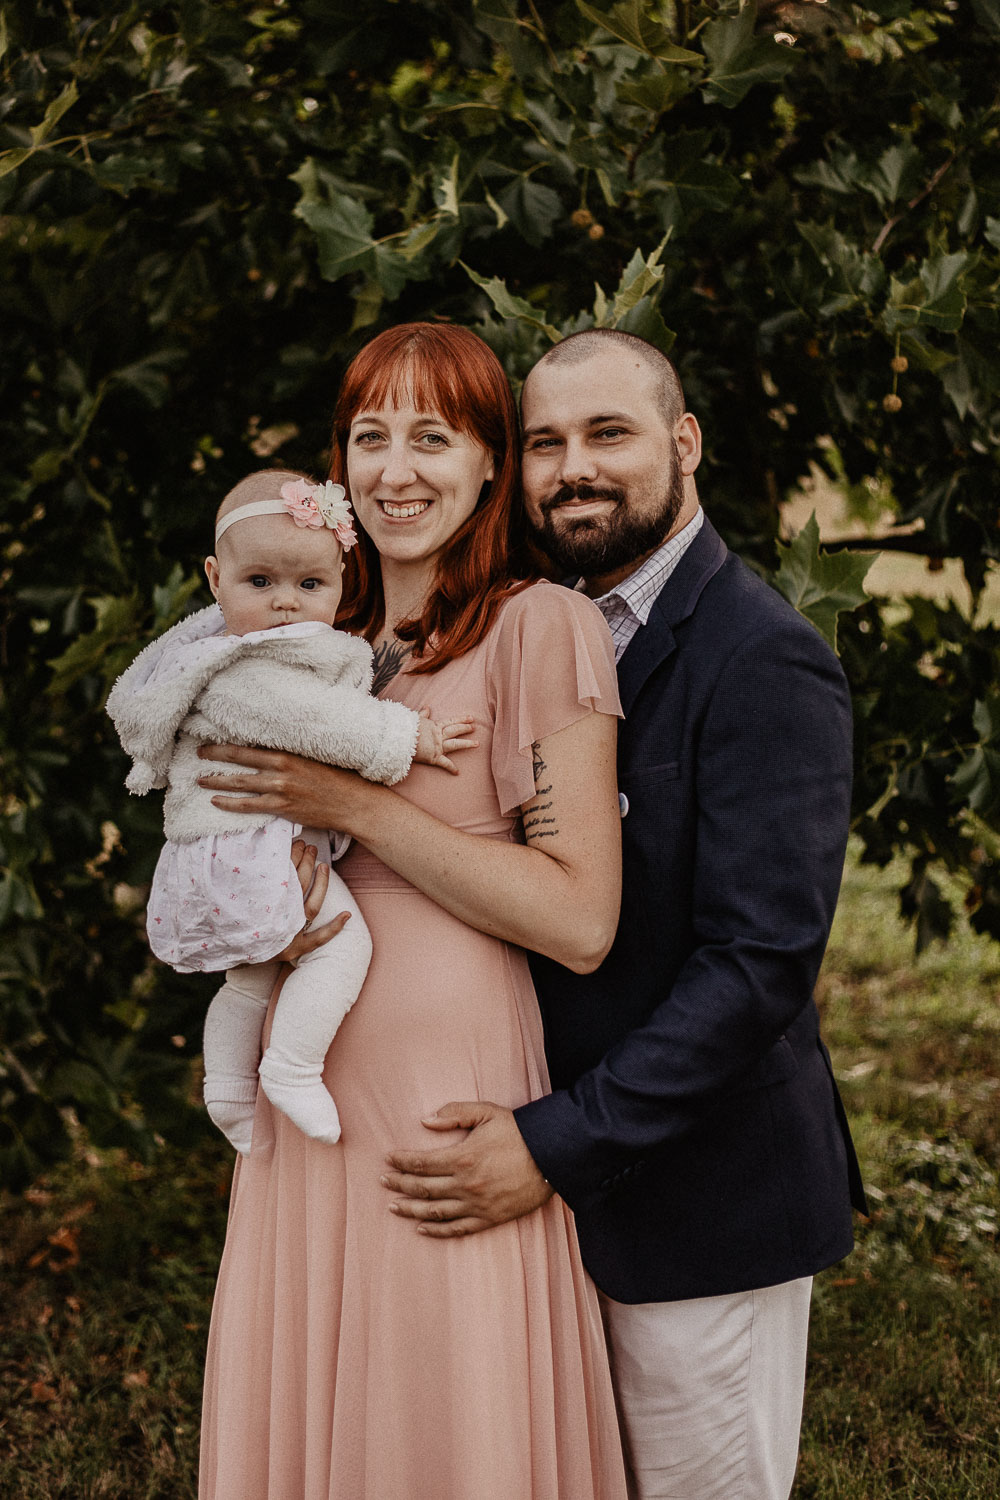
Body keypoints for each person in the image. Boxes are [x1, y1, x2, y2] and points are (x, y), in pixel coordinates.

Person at [381, 329, 869, 1500]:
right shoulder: (521, 623)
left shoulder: (762, 658)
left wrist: (553, 1145)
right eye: (545, 443)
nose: (574, 470)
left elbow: (757, 967)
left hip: (701, 1204)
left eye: (609, 433)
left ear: (683, 442)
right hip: (538, 1207)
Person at [194, 324, 628, 1499]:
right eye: (370, 437)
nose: (396, 470)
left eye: (431, 438)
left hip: (444, 1089)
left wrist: (358, 807)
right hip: (303, 1083)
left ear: (491, 463)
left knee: (437, 1407)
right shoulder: (310, 636)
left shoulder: (541, 626)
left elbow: (581, 918)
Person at [107, 468, 474, 1153]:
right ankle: (292, 1068)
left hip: (231, 844)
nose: (285, 602)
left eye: (310, 584)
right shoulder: (241, 666)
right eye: (260, 582)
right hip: (248, 844)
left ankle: (226, 1092)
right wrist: (407, 737)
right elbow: (315, 721)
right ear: (215, 579)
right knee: (340, 948)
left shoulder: (238, 652)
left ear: (341, 580)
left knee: (249, 978)